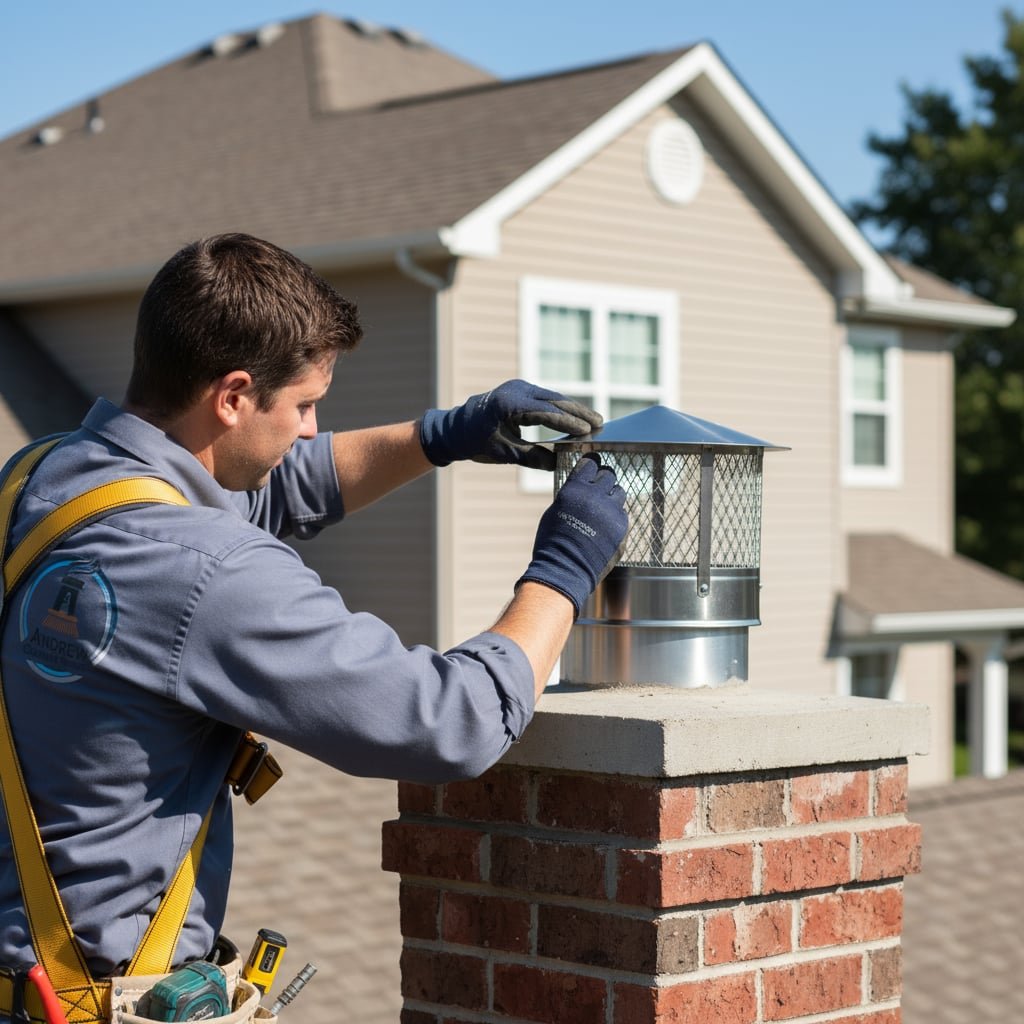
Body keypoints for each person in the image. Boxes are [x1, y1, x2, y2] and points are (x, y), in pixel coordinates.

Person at [0, 233, 628, 995]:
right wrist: (565, 568)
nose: (308, 428)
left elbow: (273, 483)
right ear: (231, 397)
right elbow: (446, 723)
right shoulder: (209, 571)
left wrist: (443, 436)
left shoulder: (42, 480)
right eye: (302, 405)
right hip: (90, 1000)